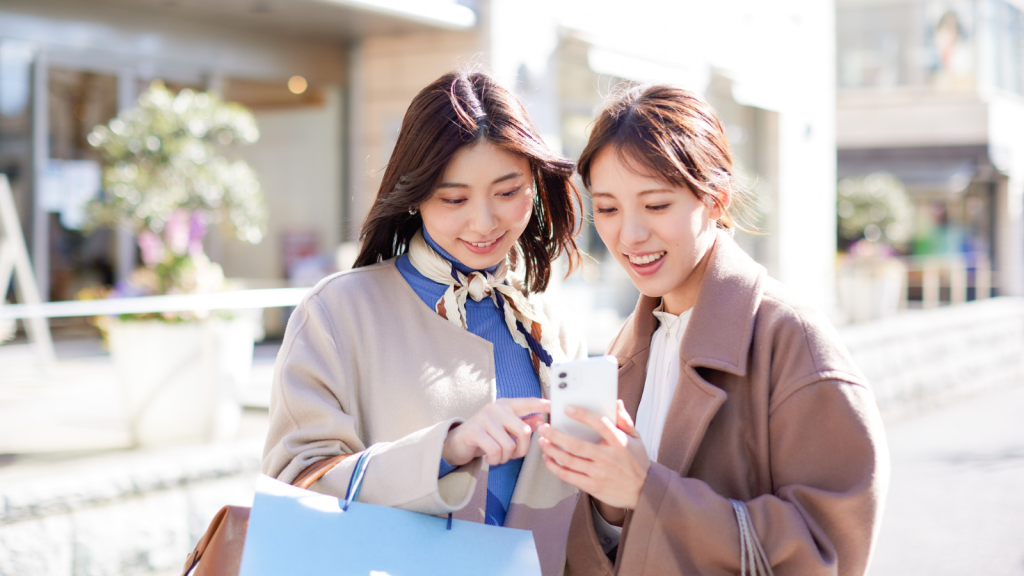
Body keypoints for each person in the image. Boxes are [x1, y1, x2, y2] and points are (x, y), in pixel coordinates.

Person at [537, 85, 890, 576]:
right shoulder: (627, 346)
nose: (630, 235)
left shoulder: (792, 339)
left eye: (657, 205)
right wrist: (609, 504)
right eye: (609, 208)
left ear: (716, 198)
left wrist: (647, 489)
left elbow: (830, 549)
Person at [262, 70, 586, 575]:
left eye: (508, 192)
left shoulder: (551, 322)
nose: (483, 223)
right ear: (414, 193)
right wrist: (449, 447)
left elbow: (582, 517)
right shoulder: (339, 312)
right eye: (453, 199)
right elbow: (296, 484)